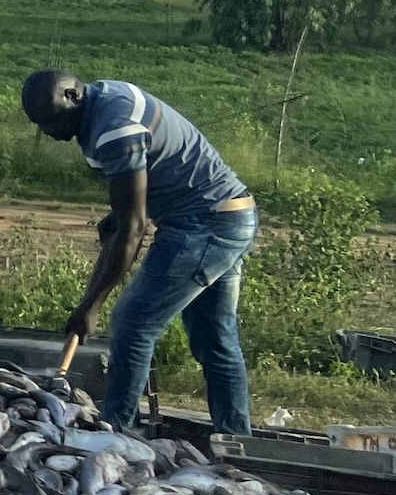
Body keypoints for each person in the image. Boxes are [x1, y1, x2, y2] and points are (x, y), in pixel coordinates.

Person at [20, 70, 257, 437]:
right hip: (229, 213)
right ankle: (238, 442)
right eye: (39, 125)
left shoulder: (114, 128)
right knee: (215, 339)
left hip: (204, 222)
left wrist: (91, 307)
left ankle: (117, 436)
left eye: (52, 120)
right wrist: (117, 221)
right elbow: (131, 211)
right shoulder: (108, 97)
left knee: (133, 323)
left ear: (73, 96)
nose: (48, 132)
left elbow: (134, 229)